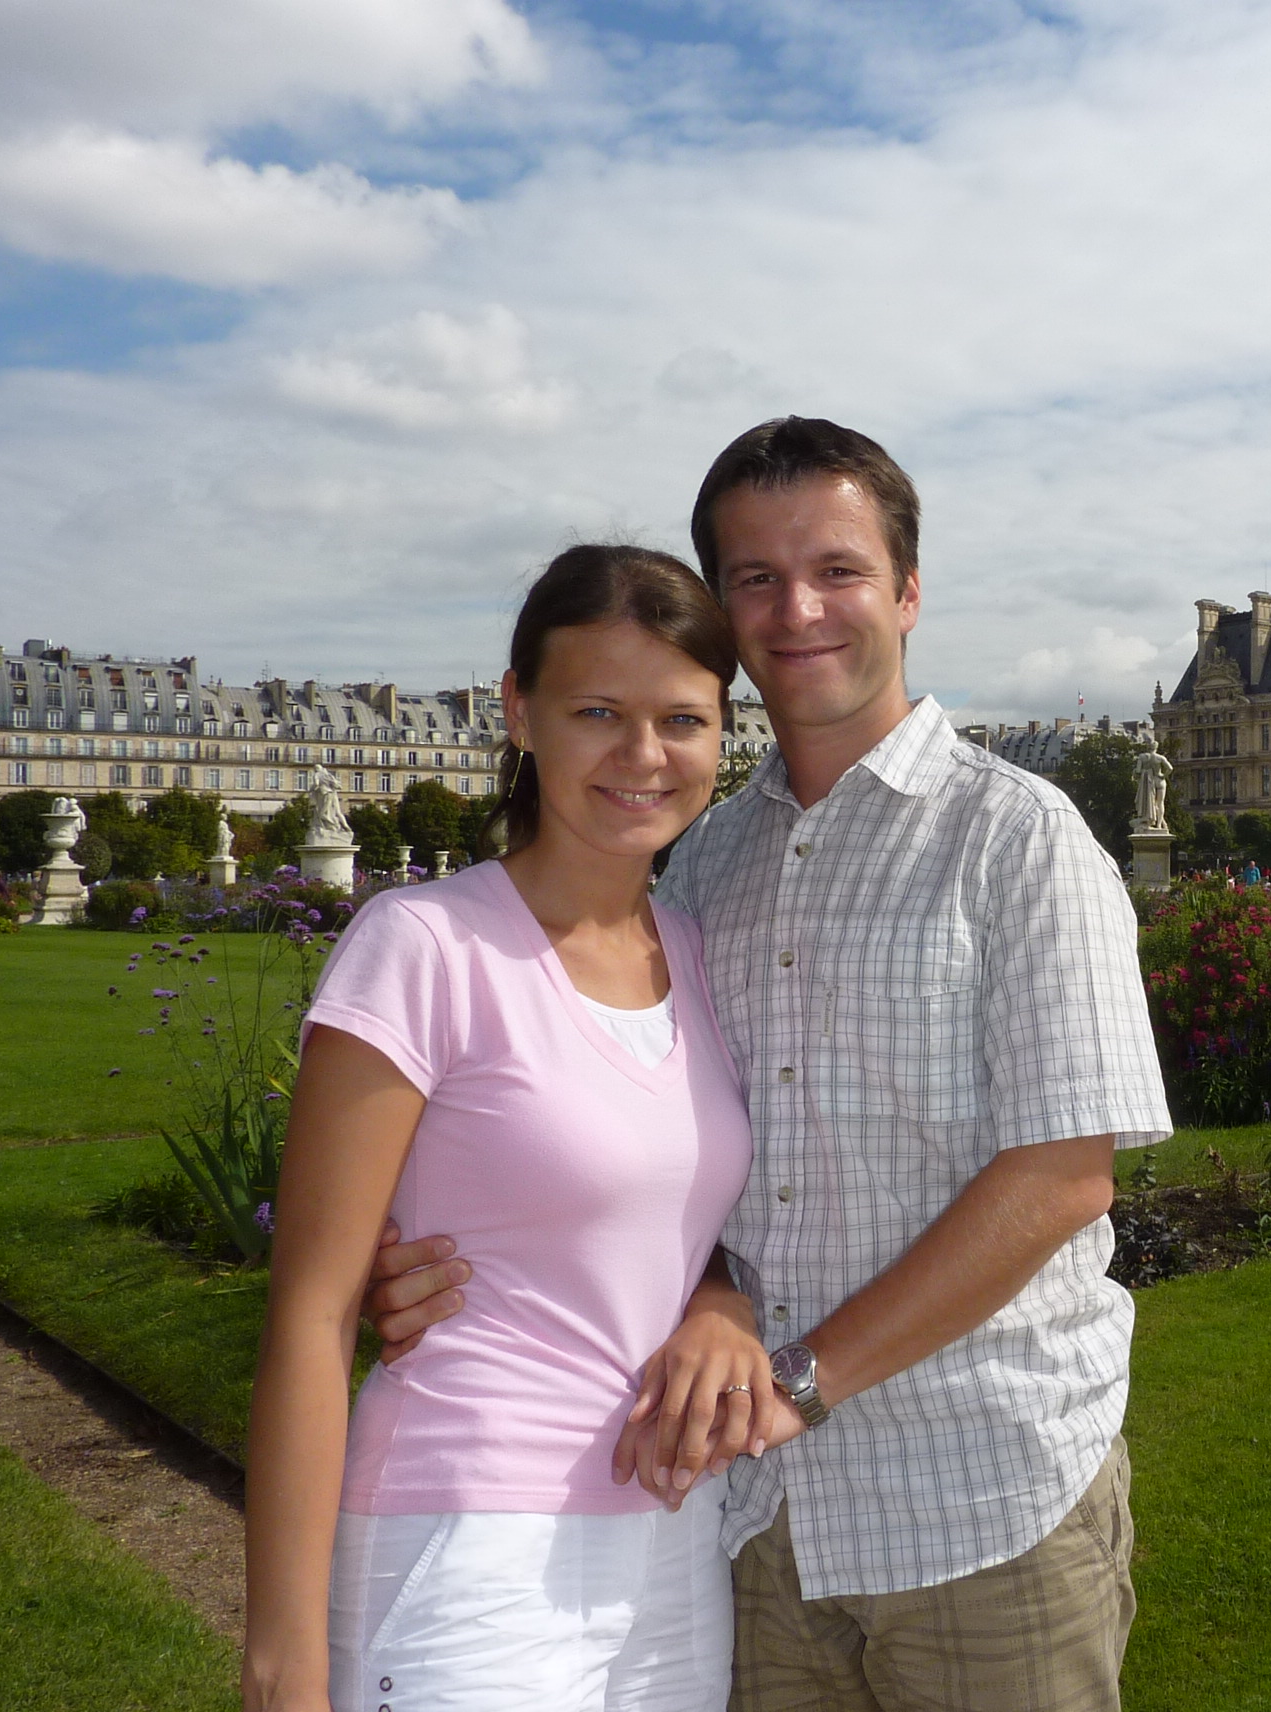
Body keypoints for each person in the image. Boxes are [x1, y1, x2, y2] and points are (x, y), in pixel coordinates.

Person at [366, 418, 1170, 1712]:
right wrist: (688, 1291)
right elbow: (662, 1148)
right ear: (726, 616)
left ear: (908, 591)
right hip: (758, 1527)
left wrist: (797, 1375)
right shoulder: (703, 866)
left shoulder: (1022, 840)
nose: (798, 608)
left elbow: (1064, 1183)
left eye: (838, 569)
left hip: (983, 1500)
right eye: (754, 577)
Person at [242, 547, 761, 1712]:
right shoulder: (422, 944)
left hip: (674, 1544)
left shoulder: (696, 952)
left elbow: (663, 1219)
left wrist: (721, 1303)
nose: (644, 755)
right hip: (467, 1538)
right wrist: (282, 1664)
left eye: (683, 718)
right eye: (597, 711)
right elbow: (313, 1311)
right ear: (518, 710)